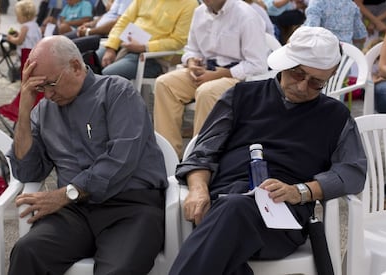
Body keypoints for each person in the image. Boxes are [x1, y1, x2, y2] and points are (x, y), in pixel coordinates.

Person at [168, 26, 366, 275]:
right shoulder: (241, 95)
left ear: (331, 75)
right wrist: (197, 190)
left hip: (281, 218)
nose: (303, 87)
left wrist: (301, 191)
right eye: (297, 74)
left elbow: (352, 172)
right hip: (222, 202)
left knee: (233, 212)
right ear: (286, 64)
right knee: (228, 232)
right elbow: (201, 152)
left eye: (317, 82)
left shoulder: (335, 116)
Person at [7, 35, 168, 275]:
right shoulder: (44, 111)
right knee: (27, 251)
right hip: (76, 212)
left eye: (51, 84)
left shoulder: (117, 92)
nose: (48, 95)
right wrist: (23, 110)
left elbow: (119, 161)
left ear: (75, 66)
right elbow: (26, 170)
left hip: (130, 207)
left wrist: (65, 194)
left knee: (117, 270)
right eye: (40, 88)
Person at [153, 0, 269, 159]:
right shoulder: (199, 12)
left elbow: (257, 65)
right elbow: (191, 49)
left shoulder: (246, 15)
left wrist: (220, 74)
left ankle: (199, 158)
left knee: (206, 92)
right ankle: (168, 156)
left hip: (237, 77)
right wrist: (191, 61)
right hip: (206, 71)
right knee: (164, 83)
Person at [99, 0, 198, 80]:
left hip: (151, 58)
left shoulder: (189, 4)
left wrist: (145, 47)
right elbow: (123, 21)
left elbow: (178, 41)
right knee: (89, 64)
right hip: (123, 44)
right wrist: (111, 48)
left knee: (106, 75)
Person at [64, 0, 132, 40]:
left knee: (67, 45)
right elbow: (108, 15)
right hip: (95, 30)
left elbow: (118, 23)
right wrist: (90, 24)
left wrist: (89, 31)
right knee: (61, 39)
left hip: (103, 35)